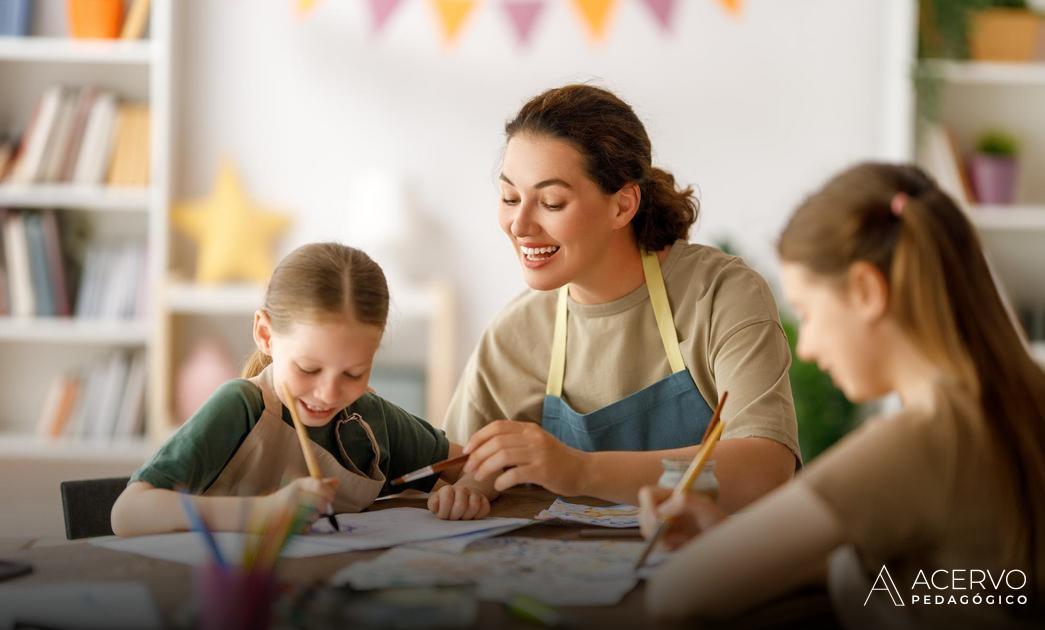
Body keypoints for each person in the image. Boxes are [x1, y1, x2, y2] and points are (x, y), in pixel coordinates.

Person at [638, 163, 1045, 628]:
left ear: (868, 291)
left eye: (809, 312)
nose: (807, 348)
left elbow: (679, 593)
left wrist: (722, 551)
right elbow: (959, 586)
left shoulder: (920, 441)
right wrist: (746, 542)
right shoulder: (1019, 402)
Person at [448, 84, 800, 509]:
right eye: (509, 197)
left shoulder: (720, 295)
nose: (519, 224)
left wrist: (580, 471)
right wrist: (467, 487)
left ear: (622, 205)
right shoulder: (516, 333)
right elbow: (456, 467)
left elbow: (766, 467)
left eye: (552, 202)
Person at [111, 243, 494, 536]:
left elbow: (481, 464)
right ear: (265, 335)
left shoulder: (371, 417)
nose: (329, 393)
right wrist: (260, 513)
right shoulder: (241, 407)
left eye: (353, 372)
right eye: (308, 368)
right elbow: (127, 513)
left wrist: (469, 490)